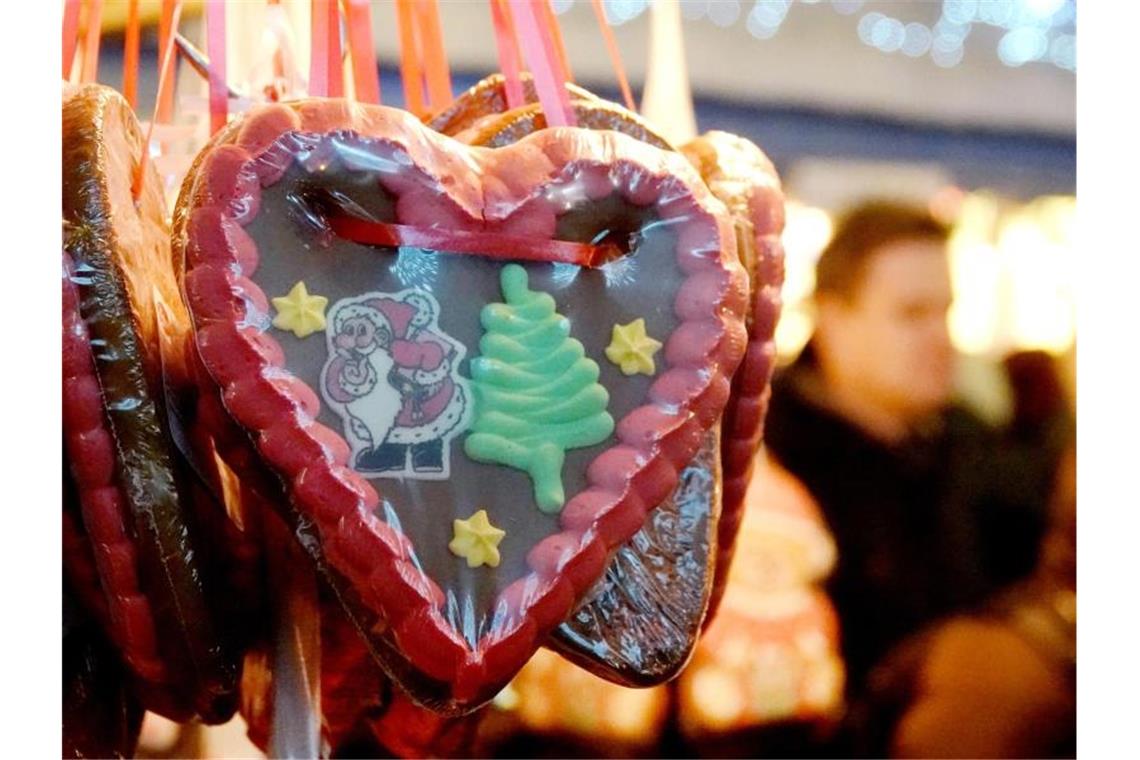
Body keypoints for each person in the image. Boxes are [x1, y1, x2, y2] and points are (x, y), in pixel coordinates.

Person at [764, 201, 1025, 704]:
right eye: (912, 314)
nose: (940, 338)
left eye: (945, 313)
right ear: (834, 319)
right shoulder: (764, 456)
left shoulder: (973, 444)